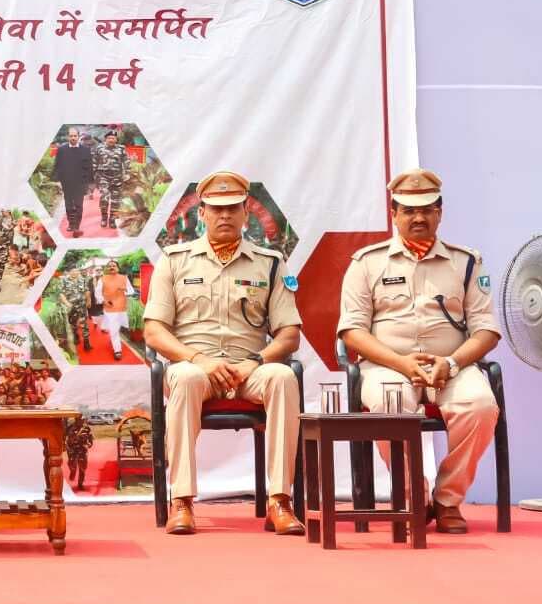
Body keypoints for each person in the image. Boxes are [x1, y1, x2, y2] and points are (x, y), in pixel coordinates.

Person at [338, 168, 501, 534]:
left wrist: (452, 361)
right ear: (393, 213)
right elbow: (351, 331)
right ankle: (414, 496)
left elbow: (487, 330)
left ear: (440, 213)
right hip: (388, 366)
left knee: (481, 406)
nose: (418, 217)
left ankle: (447, 500)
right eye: (409, 210)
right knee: (387, 406)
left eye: (427, 209)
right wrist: (400, 362)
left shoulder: (466, 262)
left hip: (451, 367)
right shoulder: (367, 263)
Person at [143, 170, 304, 537]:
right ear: (202, 212)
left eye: (233, 207)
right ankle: (181, 501)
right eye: (216, 208)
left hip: (250, 368)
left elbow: (289, 335)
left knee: (283, 376)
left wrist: (256, 362)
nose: (225, 215)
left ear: (246, 211)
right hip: (195, 366)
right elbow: (153, 331)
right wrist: (197, 360)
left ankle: (280, 500)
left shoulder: (270, 263)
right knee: (183, 377)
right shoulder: (175, 260)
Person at [50, 127, 93, 237]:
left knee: (78, 205)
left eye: (75, 136)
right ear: (68, 136)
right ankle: (71, 223)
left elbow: (89, 167)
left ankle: (76, 226)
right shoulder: (62, 150)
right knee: (69, 205)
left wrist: (90, 183)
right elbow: (57, 165)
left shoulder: (85, 150)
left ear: (78, 137)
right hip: (67, 182)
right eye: (71, 136)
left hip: (80, 183)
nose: (73, 138)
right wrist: (56, 180)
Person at [96, 259, 133, 360]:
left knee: (118, 327)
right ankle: (117, 350)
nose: (111, 267)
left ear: (118, 268)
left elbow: (131, 291)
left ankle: (114, 338)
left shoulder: (124, 278)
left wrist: (124, 290)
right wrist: (103, 301)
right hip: (110, 307)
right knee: (114, 328)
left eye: (114, 265)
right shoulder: (102, 279)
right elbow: (98, 293)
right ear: (107, 268)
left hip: (122, 307)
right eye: (109, 266)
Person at [92, 128, 128, 230]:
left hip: (117, 178)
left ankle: (112, 220)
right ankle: (104, 218)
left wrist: (128, 173)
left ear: (116, 139)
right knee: (104, 197)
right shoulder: (99, 148)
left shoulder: (121, 148)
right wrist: (92, 175)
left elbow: (126, 161)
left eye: (113, 138)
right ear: (105, 139)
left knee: (116, 201)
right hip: (103, 177)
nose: (111, 140)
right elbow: (94, 161)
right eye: (109, 138)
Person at [61, 271, 93, 353]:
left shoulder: (82, 279)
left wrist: (89, 300)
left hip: (82, 305)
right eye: (72, 271)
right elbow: (61, 293)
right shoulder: (64, 280)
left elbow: (87, 291)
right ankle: (76, 335)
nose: (75, 272)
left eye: (76, 270)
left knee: (84, 324)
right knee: (72, 323)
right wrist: (67, 303)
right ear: (69, 271)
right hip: (71, 306)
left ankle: (86, 342)